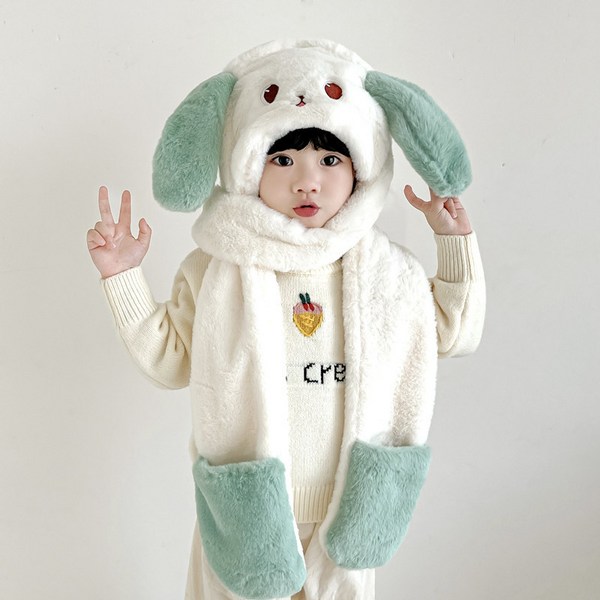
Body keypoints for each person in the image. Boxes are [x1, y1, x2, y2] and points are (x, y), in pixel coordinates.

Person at [87, 40, 485, 600]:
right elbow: (168, 362)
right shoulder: (216, 269)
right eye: (282, 159)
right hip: (246, 511)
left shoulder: (387, 274)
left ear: (360, 169)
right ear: (248, 167)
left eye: (330, 160)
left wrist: (454, 242)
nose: (307, 181)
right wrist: (122, 276)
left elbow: (454, 330)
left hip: (347, 508)